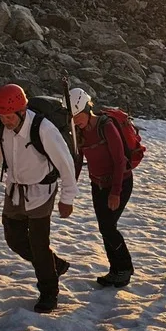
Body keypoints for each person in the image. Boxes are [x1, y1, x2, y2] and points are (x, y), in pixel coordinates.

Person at [0, 84, 78, 313]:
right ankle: (55, 265)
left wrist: (67, 198)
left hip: (42, 191)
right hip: (14, 189)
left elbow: (66, 163)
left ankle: (49, 293)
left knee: (38, 244)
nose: (6, 121)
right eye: (2, 116)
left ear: (22, 111)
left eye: (9, 116)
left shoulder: (43, 128)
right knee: (13, 239)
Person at [68, 88, 134, 288]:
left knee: (108, 227)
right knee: (105, 228)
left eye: (78, 116)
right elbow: (78, 161)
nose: (76, 121)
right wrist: (70, 188)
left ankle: (125, 267)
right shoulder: (79, 133)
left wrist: (115, 192)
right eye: (73, 117)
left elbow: (120, 161)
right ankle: (115, 270)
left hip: (119, 183)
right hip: (97, 185)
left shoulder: (106, 127)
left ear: (88, 110)